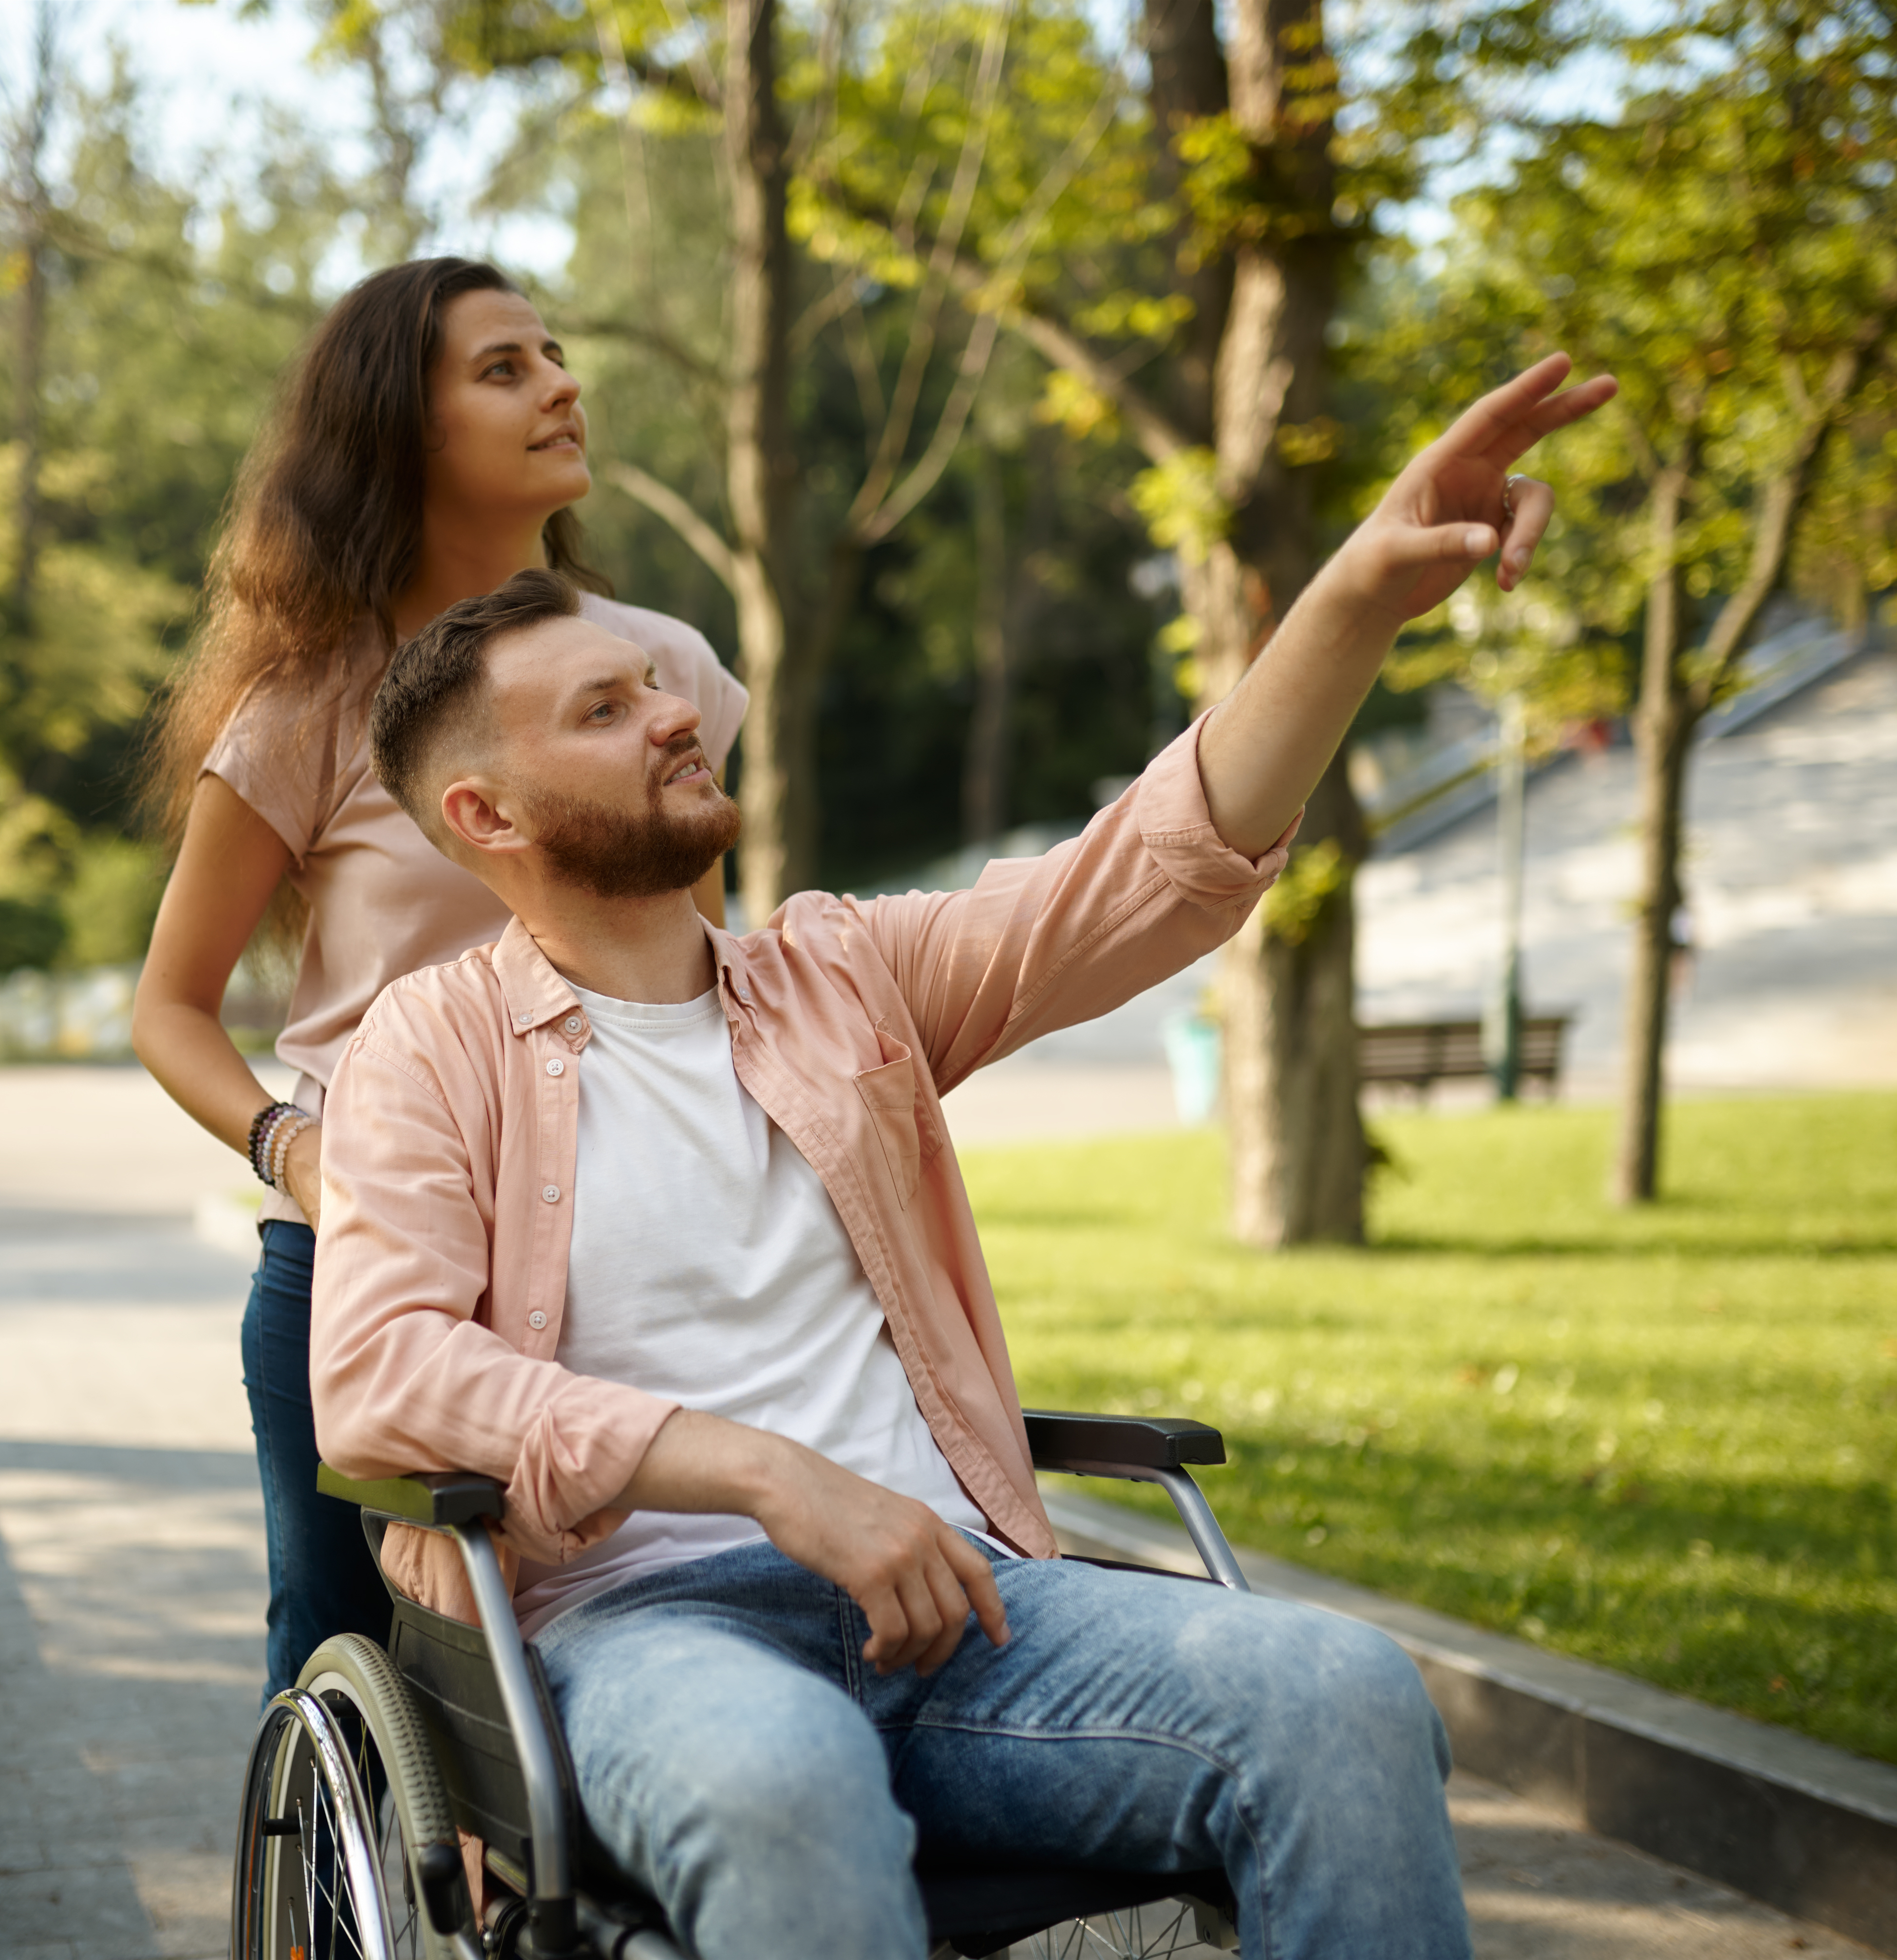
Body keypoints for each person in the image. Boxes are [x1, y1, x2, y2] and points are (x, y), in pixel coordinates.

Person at [311, 355, 1615, 1959]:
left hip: (970, 1613)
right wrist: (771, 1477)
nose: (671, 711)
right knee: (785, 1779)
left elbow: (1153, 872)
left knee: (1340, 1693)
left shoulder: (842, 973)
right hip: (644, 1635)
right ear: (488, 816)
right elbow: (381, 1376)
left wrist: (1354, 594)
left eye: (653, 681)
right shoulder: (427, 1050)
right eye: (603, 709)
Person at [130, 259, 748, 1708]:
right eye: (504, 368)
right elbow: (169, 1008)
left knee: (647, 1649)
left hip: (623, 1255)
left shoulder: (665, 670)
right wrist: (299, 1155)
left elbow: (695, 967)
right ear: (399, 434)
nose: (561, 384)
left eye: (555, 351)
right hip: (366, 1260)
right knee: (350, 1671)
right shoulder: (309, 706)